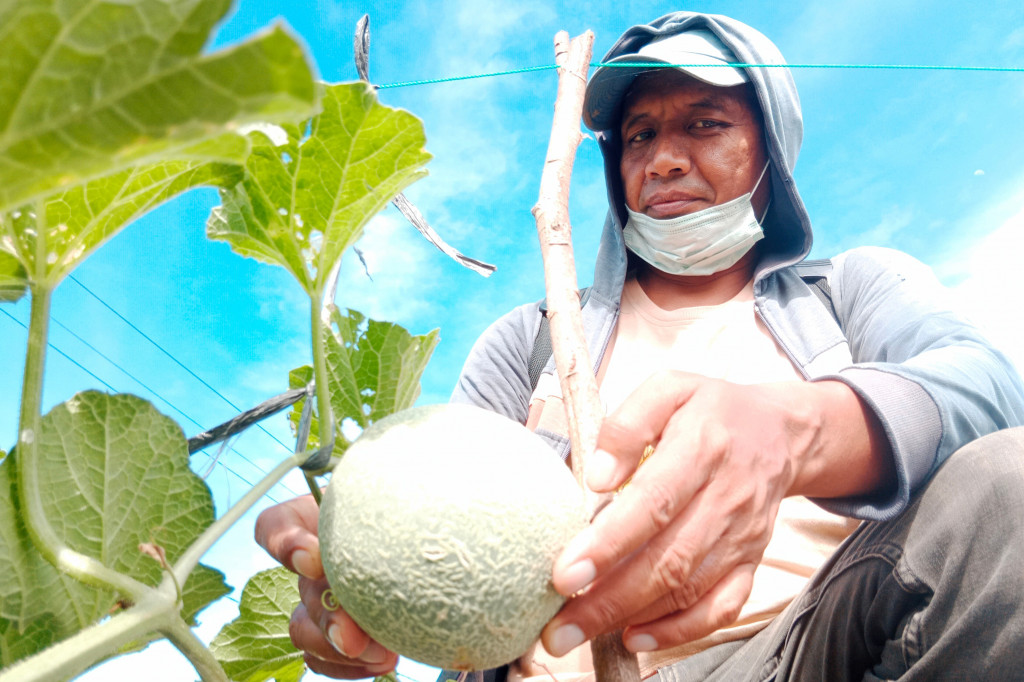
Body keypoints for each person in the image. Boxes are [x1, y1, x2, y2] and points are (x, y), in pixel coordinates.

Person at [255, 11, 1024, 681]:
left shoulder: (853, 291)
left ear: (771, 148)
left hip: (804, 650)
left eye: (706, 124)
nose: (662, 159)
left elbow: (987, 394)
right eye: (640, 135)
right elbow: (442, 534)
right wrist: (357, 557)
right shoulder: (530, 338)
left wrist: (798, 432)